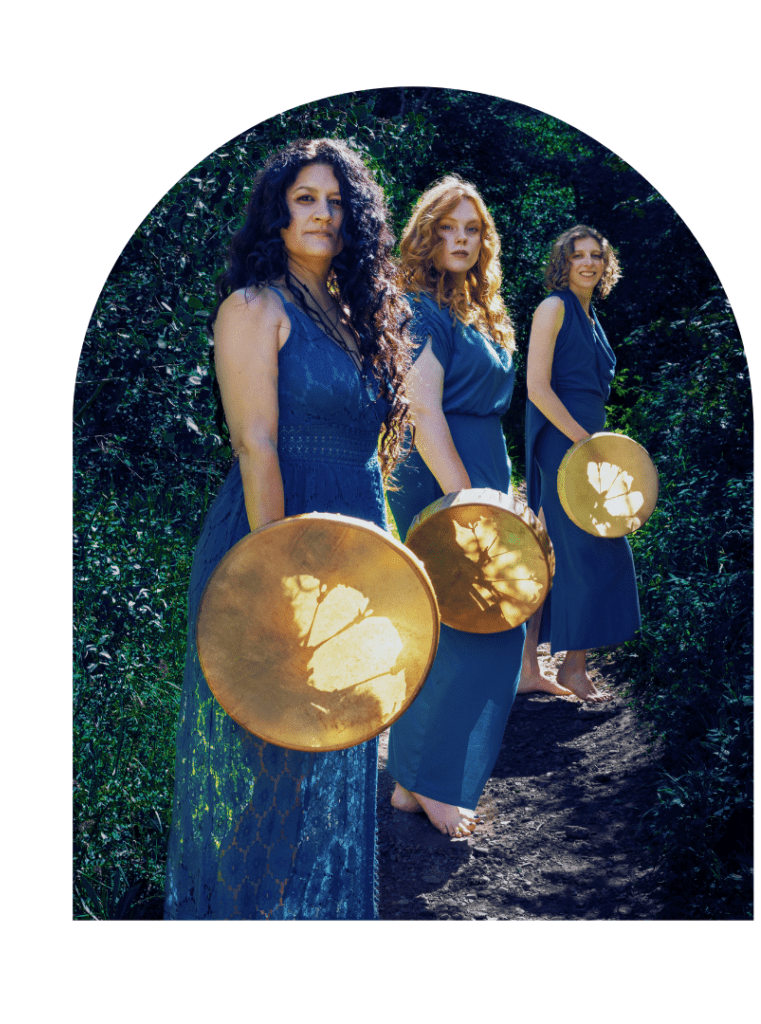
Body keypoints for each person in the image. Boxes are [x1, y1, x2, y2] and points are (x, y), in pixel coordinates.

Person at [164, 139, 411, 920]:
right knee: (274, 751)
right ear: (278, 212)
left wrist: (390, 561)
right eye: (307, 198)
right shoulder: (253, 308)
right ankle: (241, 921)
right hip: (278, 536)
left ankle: (311, 918)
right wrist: (279, 577)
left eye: (337, 202)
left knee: (337, 741)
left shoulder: (355, 312)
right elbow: (256, 445)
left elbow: (371, 457)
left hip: (354, 541)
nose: (324, 214)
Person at [385, 176, 525, 838]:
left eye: (472, 229)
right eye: (447, 228)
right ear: (426, 234)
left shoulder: (485, 309)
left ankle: (415, 783)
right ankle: (434, 782)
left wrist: (502, 492)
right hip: (443, 478)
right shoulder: (417, 306)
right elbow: (423, 412)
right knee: (472, 629)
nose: (461, 240)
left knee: (486, 625)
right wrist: (467, 503)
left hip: (483, 471)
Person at [520, 226, 641, 703]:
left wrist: (599, 447)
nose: (588, 263)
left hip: (591, 447)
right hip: (564, 444)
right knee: (565, 553)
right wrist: (583, 443)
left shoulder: (593, 317)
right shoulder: (553, 308)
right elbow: (537, 387)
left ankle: (564, 666)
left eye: (596, 255)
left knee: (570, 554)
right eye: (577, 256)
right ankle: (539, 667)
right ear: (563, 263)